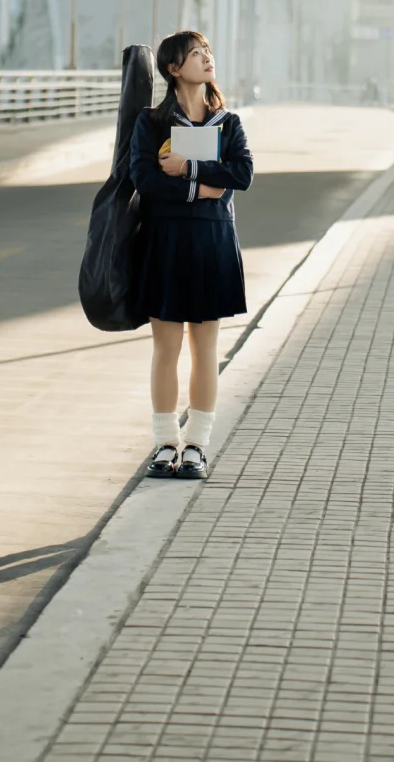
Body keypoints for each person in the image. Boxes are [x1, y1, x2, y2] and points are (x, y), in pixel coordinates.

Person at [129, 30, 253, 481]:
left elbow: (242, 173)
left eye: (208, 52)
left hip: (213, 242)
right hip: (164, 241)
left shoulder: (228, 123)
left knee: (205, 349)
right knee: (166, 348)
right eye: (195, 54)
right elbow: (145, 178)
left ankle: (197, 444)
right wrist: (203, 188)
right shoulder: (152, 123)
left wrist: (189, 169)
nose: (206, 58)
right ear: (173, 68)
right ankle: (164, 444)